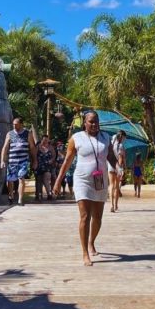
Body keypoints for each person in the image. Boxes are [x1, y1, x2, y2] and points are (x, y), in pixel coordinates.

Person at [54, 111, 118, 266]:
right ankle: (85, 253)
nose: (94, 125)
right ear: (84, 122)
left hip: (100, 181)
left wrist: (119, 168)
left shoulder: (105, 138)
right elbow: (67, 161)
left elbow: (110, 157)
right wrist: (58, 181)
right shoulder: (76, 139)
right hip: (82, 180)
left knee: (98, 217)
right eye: (91, 122)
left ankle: (91, 242)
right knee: (85, 216)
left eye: (96, 122)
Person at [0, 118, 36, 206]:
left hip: (23, 161)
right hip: (12, 161)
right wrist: (2, 160)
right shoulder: (10, 134)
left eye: (16, 124)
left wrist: (35, 160)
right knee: (10, 180)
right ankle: (11, 195)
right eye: (13, 124)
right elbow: (5, 148)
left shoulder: (27, 133)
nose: (14, 126)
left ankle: (20, 199)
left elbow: (32, 148)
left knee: (21, 178)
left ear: (21, 124)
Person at [108, 131, 127, 212]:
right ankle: (115, 206)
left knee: (111, 185)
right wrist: (121, 168)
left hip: (110, 166)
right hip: (118, 167)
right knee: (116, 186)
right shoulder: (120, 145)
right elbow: (120, 158)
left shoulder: (111, 144)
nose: (125, 139)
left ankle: (111, 205)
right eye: (125, 138)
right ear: (122, 137)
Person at [35, 135, 56, 202]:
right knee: (39, 180)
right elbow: (34, 155)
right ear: (41, 140)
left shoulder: (50, 147)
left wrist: (51, 160)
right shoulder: (38, 147)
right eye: (44, 140)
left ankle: (49, 193)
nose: (45, 141)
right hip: (39, 165)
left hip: (47, 166)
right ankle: (38, 195)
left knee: (46, 178)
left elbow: (54, 155)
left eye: (46, 140)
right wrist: (34, 163)